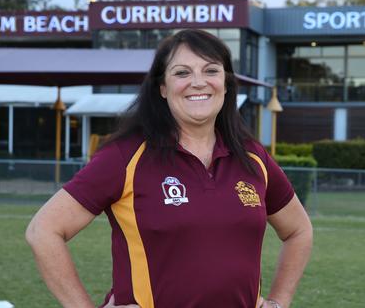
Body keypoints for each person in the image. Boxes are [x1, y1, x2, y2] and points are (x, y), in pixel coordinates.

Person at [26, 29, 313, 308]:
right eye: (182, 73)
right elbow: (44, 230)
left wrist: (278, 302)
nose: (198, 82)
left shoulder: (253, 157)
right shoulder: (125, 156)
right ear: (162, 87)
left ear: (226, 83)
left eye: (211, 71)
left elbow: (299, 230)